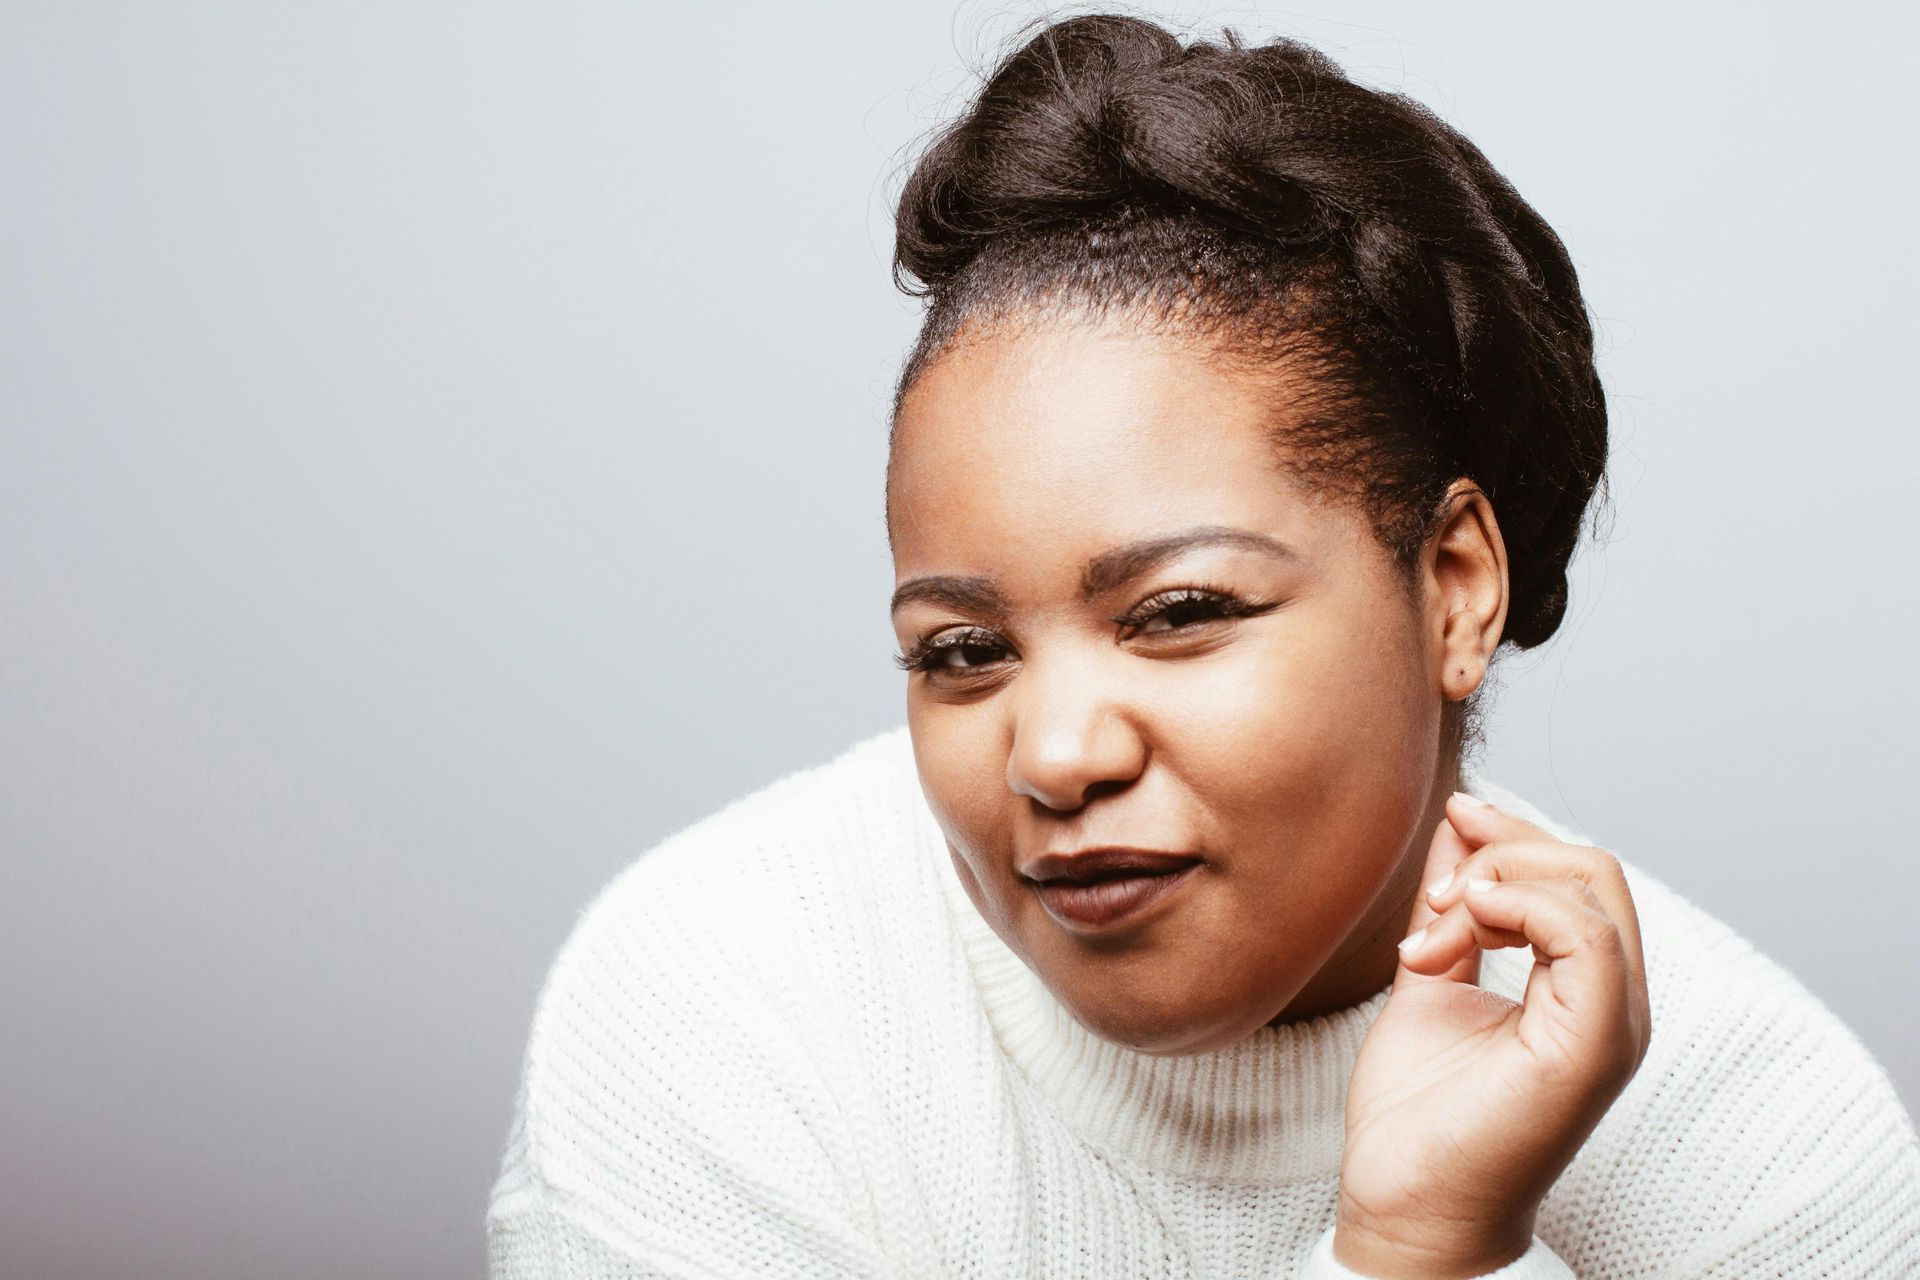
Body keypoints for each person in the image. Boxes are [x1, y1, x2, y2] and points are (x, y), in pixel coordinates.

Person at [485, 14, 1920, 1278]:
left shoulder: (1764, 1162)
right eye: (963, 652)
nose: (1051, 757)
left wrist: (1439, 1244)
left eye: (1177, 616)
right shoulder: (729, 999)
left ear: (1457, 587)